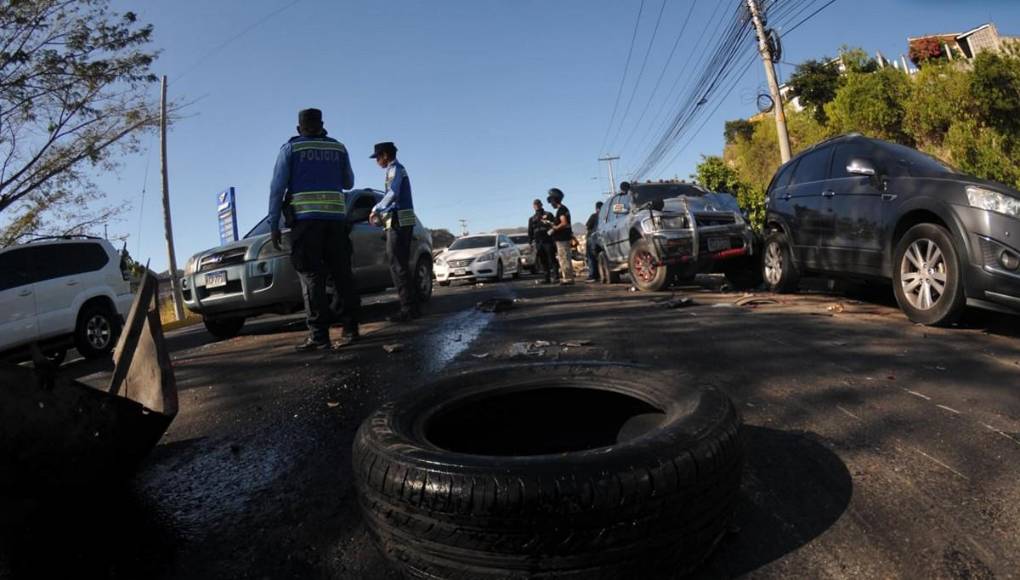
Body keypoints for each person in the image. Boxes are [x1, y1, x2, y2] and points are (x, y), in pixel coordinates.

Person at [268, 108, 360, 351]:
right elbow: (349, 182)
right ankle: (351, 330)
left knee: (311, 277)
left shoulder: (291, 149)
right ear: (322, 125)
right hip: (336, 222)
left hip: (306, 223)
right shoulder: (338, 147)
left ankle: (320, 336)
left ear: (299, 128)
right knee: (342, 275)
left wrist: (273, 224)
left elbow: (277, 189)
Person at [369, 142, 419, 322]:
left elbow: (392, 194)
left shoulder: (394, 169)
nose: (377, 162)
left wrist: (377, 208)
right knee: (402, 265)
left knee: (397, 265)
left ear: (385, 155)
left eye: (377, 158)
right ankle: (412, 306)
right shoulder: (397, 169)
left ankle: (407, 309)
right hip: (402, 220)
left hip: (398, 221)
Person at [546, 188, 575, 285]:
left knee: (564, 258)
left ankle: (568, 278)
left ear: (555, 199)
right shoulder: (563, 209)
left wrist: (554, 229)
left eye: (551, 201)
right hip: (562, 238)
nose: (551, 204)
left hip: (562, 239)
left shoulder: (562, 210)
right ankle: (567, 277)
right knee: (564, 258)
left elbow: (564, 223)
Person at [527, 199, 558, 284]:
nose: (536, 205)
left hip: (548, 240)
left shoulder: (548, 214)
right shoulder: (532, 219)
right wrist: (530, 242)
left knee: (552, 259)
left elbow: (554, 225)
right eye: (535, 204)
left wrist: (552, 235)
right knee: (543, 260)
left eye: (538, 204)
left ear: (541, 204)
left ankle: (556, 277)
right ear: (533, 206)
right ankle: (546, 278)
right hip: (538, 242)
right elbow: (530, 231)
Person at [585, 201, 604, 283]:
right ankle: (601, 274)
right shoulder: (605, 216)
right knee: (600, 256)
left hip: (592, 237)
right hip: (602, 237)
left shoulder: (594, 216)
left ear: (596, 209)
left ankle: (593, 275)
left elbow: (588, 225)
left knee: (591, 257)